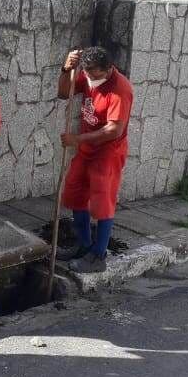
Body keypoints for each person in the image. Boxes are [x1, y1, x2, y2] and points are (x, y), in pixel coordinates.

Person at [56, 46, 133, 273]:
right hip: (87, 149)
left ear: (108, 70)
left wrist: (78, 139)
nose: (89, 78)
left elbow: (113, 130)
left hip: (108, 152)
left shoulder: (120, 89)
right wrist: (66, 68)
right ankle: (84, 245)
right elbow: (63, 93)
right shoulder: (88, 75)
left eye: (94, 74)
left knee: (102, 202)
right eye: (86, 72)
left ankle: (98, 256)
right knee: (75, 192)